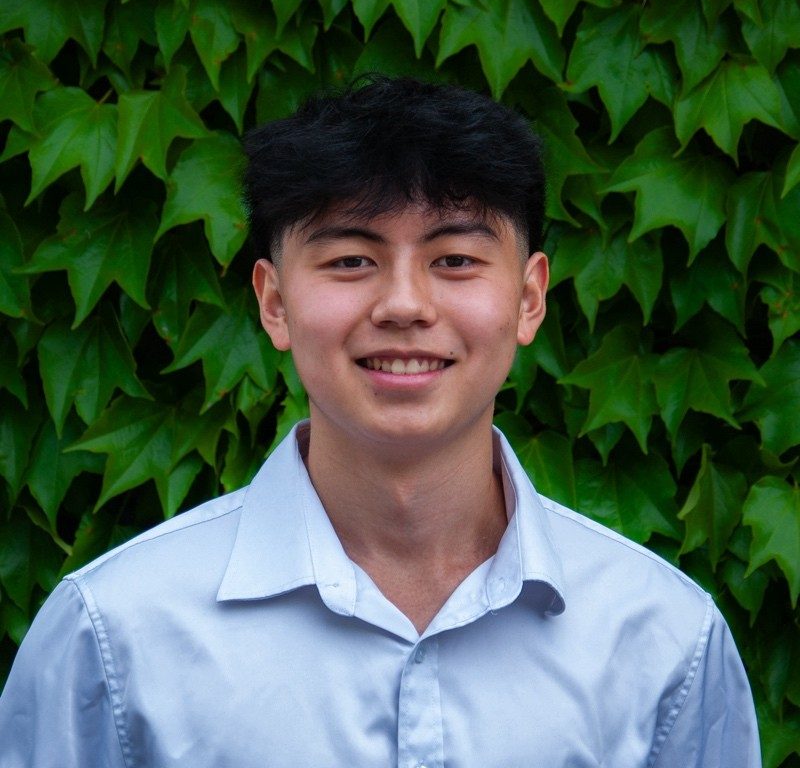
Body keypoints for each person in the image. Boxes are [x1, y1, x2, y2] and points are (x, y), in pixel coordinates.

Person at [0, 76, 760, 767]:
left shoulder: (664, 640)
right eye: (351, 262)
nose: (404, 305)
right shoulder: (113, 637)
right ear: (273, 302)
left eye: (454, 260)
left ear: (530, 298)